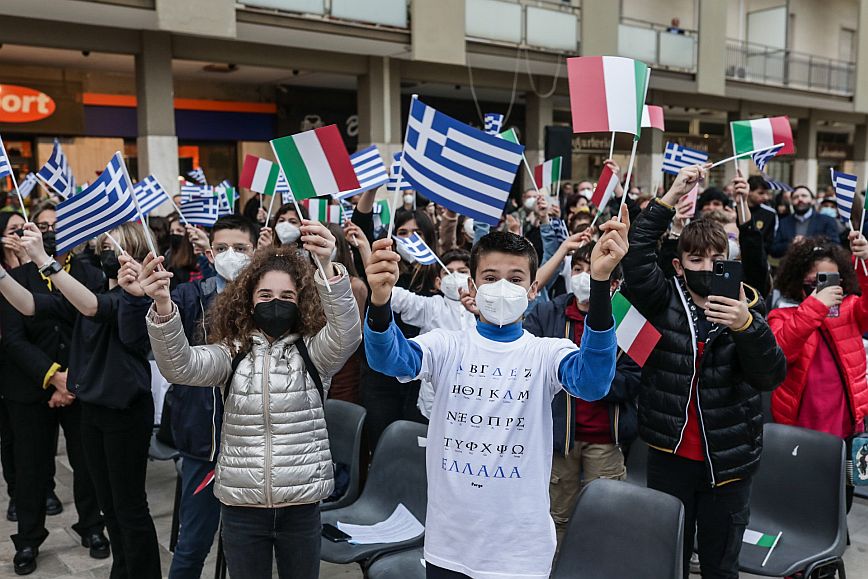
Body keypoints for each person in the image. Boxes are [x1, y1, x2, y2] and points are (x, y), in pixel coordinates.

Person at [363, 207, 628, 578]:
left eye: (516, 278)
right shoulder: (446, 344)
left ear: (533, 290)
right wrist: (379, 303)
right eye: (490, 277)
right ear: (472, 288)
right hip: (450, 545)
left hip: (519, 551)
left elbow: (593, 381)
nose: (503, 287)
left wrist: (599, 284)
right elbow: (390, 359)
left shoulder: (546, 352)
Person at [142, 222, 361, 579]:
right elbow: (180, 366)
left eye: (287, 296)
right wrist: (164, 307)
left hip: (301, 505)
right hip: (242, 508)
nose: (276, 303)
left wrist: (326, 267)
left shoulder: (314, 353)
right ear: (248, 300)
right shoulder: (232, 352)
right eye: (265, 295)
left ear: (302, 301)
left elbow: (347, 334)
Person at [621, 164, 786, 579]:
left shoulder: (748, 308)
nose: (708, 267)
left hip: (728, 465)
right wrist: (671, 195)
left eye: (717, 259)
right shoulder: (662, 300)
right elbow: (638, 252)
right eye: (696, 259)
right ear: (679, 266)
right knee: (667, 558)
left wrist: (746, 327)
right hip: (669, 457)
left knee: (720, 566)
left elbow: (770, 376)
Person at [0, 222, 162, 577]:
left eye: (116, 248)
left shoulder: (139, 300)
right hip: (93, 410)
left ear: (137, 255)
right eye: (104, 248)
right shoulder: (94, 291)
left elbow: (93, 308)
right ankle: (123, 570)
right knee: (110, 506)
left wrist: (43, 260)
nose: (108, 255)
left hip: (125, 413)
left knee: (130, 507)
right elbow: (28, 304)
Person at [124, 215, 258, 579]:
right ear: (209, 254)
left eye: (240, 248)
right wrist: (139, 299)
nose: (231, 255)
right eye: (222, 248)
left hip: (258, 447)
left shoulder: (272, 301)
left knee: (251, 548)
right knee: (193, 542)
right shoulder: (188, 296)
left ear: (256, 250)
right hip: (205, 444)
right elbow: (138, 340)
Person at [524, 242, 641, 546]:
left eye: (592, 270)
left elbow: (634, 380)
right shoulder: (548, 312)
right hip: (558, 439)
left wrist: (590, 380)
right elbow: (528, 363)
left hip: (605, 438)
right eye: (577, 269)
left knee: (604, 520)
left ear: (614, 283)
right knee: (555, 518)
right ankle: (555, 566)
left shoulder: (628, 319)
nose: (583, 277)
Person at [768, 236, 868, 512]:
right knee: (801, 503)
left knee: (841, 503)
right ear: (799, 282)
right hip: (800, 434)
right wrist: (816, 305)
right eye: (816, 283)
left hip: (847, 432)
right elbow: (781, 351)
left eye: (832, 282)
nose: (824, 289)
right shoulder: (782, 317)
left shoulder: (851, 309)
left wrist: (866, 262)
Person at [389, 248, 476, 417]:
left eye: (462, 271)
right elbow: (396, 297)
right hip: (434, 402)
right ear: (438, 282)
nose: (455, 276)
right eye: (448, 272)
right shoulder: (431, 307)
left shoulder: (485, 312)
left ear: (473, 280)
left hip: (473, 401)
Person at [771, 186, 841, 257]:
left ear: (813, 201)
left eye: (804, 196)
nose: (800, 199)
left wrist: (809, 243)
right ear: (791, 201)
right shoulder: (783, 222)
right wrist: (792, 243)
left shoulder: (827, 220)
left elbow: (835, 246)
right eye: (796, 197)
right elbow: (774, 250)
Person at [746, 176, 778, 253]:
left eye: (767, 193)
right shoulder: (734, 210)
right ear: (749, 191)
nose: (765, 197)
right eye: (761, 193)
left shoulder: (770, 214)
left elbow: (769, 241)